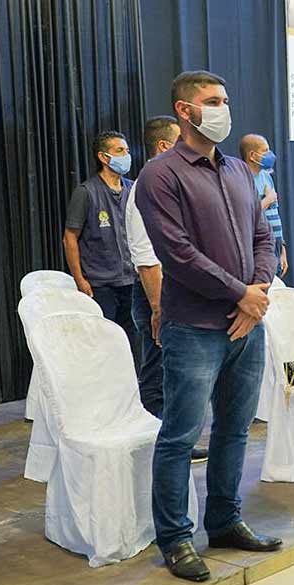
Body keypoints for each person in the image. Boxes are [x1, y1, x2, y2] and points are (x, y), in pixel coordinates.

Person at [137, 71, 281, 582]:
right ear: (184, 110)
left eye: (226, 99)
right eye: (212, 101)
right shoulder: (160, 175)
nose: (223, 108)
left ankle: (223, 520)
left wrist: (256, 293)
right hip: (194, 327)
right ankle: (175, 537)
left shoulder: (241, 172)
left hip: (247, 325)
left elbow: (263, 237)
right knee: (180, 437)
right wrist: (241, 293)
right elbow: (177, 255)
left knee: (235, 431)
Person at [127, 115, 208, 455]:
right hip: (156, 294)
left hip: (176, 292)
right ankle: (160, 443)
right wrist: (160, 308)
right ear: (163, 145)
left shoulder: (170, 183)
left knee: (176, 374)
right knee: (158, 371)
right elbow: (147, 260)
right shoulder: (146, 185)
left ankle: (176, 440)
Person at [63, 131, 137, 351]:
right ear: (104, 157)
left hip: (132, 282)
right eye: (119, 151)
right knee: (103, 343)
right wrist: (79, 279)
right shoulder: (86, 192)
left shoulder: (133, 189)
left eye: (127, 151)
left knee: (131, 341)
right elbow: (69, 238)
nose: (126, 155)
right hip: (101, 284)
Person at [241, 134, 288, 278]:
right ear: (252, 155)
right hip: (258, 248)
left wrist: (282, 249)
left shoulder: (266, 176)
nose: (270, 155)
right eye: (265, 151)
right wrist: (268, 199)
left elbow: (275, 214)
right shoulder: (242, 178)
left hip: (275, 244)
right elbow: (246, 214)